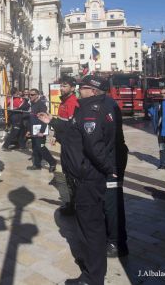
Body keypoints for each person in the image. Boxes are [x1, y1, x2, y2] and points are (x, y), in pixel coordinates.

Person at [39, 74, 116, 285]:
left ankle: (93, 277)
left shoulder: (92, 110)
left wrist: (108, 169)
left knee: (91, 228)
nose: (79, 90)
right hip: (84, 175)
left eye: (82, 87)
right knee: (86, 226)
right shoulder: (86, 108)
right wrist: (52, 121)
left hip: (88, 177)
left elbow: (94, 146)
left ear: (92, 90)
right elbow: (74, 133)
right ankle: (90, 266)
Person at [43, 76, 80, 216]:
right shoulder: (64, 101)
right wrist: (55, 135)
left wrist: (52, 121)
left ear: (72, 88)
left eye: (64, 86)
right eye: (61, 86)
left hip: (71, 145)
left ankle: (75, 205)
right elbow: (62, 124)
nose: (61, 88)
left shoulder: (72, 103)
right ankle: (72, 203)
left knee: (71, 175)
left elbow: (70, 127)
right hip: (64, 142)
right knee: (67, 174)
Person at [102, 87, 129, 258]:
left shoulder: (108, 106)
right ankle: (112, 239)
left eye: (83, 88)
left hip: (112, 160)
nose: (79, 91)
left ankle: (116, 243)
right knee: (109, 202)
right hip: (110, 159)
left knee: (112, 203)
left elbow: (110, 138)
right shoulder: (105, 104)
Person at [27, 88, 58, 172]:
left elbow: (44, 119)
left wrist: (42, 131)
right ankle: (37, 164)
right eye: (29, 94)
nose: (30, 96)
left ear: (37, 95)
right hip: (34, 130)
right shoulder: (32, 104)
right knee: (35, 147)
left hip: (40, 130)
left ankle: (52, 162)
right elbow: (31, 119)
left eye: (32, 94)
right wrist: (29, 130)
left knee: (41, 147)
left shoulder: (41, 105)